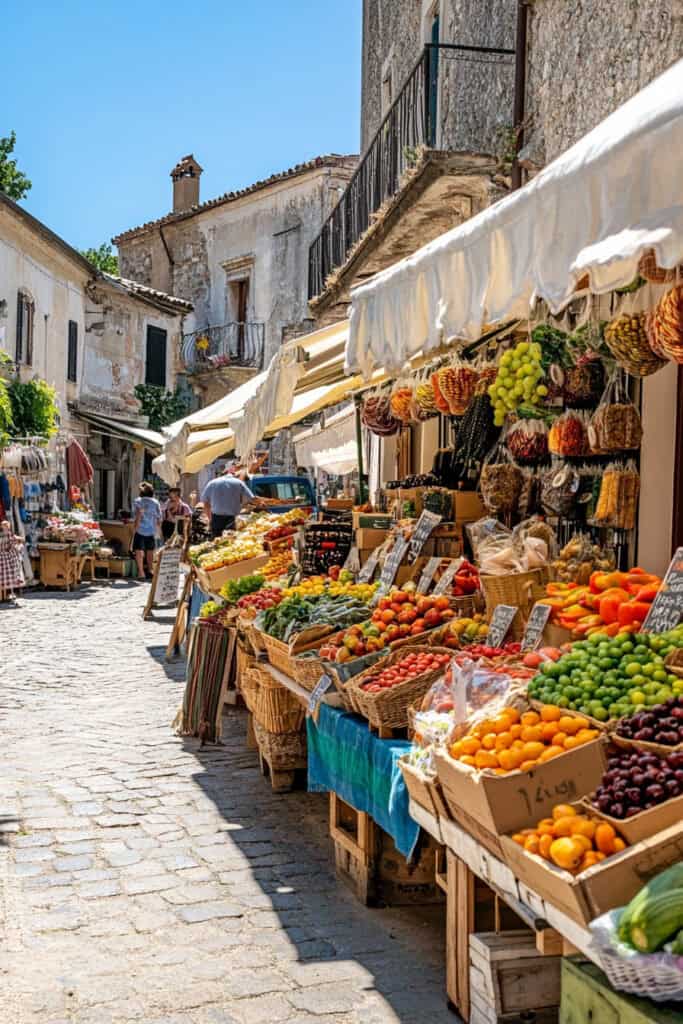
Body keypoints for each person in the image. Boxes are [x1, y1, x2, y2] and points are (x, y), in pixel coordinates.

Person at [200, 472, 261, 538]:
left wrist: (210, 519)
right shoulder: (238, 482)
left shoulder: (212, 483)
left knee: (216, 542)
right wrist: (261, 503)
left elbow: (206, 503)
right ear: (234, 476)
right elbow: (252, 499)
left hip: (216, 519)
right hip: (232, 519)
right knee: (230, 541)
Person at [132, 481, 162, 580]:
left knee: (139, 550)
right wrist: (158, 530)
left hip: (140, 529)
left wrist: (135, 528)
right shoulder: (156, 502)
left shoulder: (137, 501)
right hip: (151, 530)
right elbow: (159, 518)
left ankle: (141, 572)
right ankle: (150, 570)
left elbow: (137, 516)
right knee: (150, 551)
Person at [0, 520, 25, 604]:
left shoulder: (10, 535)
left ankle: (9, 594)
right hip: (4, 557)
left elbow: (16, 542)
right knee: (5, 576)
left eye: (6, 526)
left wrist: (17, 543)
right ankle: (4, 595)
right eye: (4, 526)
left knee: (10, 575)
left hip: (8, 557)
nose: (5, 528)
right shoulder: (3, 535)